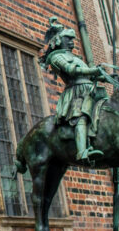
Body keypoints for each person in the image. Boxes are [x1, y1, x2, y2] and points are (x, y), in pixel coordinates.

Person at [40, 17, 104, 163]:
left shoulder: (75, 56)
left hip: (90, 89)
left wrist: (104, 76)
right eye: (67, 39)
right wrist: (94, 70)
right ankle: (81, 152)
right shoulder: (56, 57)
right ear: (57, 40)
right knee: (80, 116)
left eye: (72, 39)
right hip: (76, 92)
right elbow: (72, 70)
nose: (71, 42)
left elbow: (88, 72)